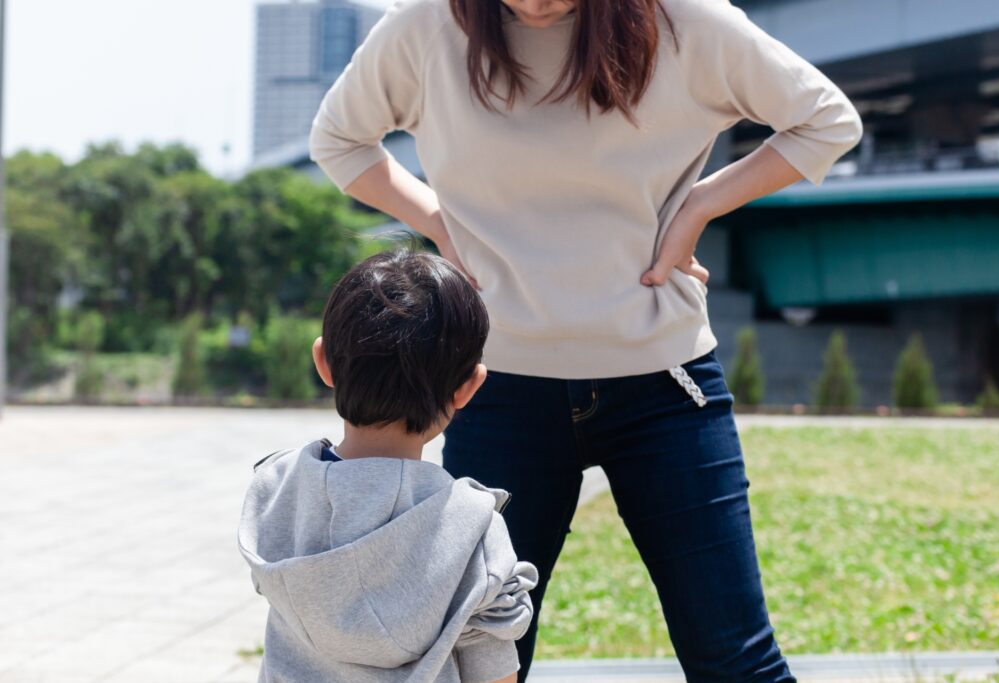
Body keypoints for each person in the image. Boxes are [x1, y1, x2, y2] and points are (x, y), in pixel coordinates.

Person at [309, 0, 863, 679]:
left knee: (735, 661)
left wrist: (697, 207)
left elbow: (828, 120)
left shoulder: (687, 22)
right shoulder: (427, 26)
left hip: (666, 383)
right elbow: (338, 139)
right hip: (499, 388)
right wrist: (440, 223)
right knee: (481, 663)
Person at [238, 249, 538, 683]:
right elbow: (495, 674)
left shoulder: (276, 491)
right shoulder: (474, 526)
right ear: (469, 387)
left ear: (323, 363)